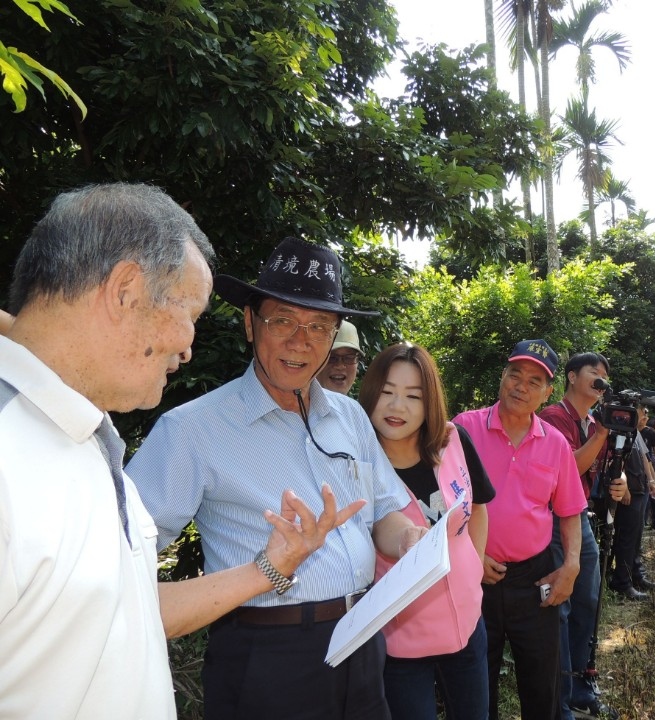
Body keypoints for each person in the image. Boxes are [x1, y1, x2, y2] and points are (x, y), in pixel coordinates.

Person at [0, 184, 360, 719]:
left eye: (318, 328)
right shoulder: (13, 453)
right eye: (188, 311)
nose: (189, 345)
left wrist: (272, 566)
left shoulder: (84, 443)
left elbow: (135, 602)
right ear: (125, 290)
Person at [126, 236, 426, 720]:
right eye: (282, 320)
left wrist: (409, 537)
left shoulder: (350, 417)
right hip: (267, 656)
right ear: (250, 323)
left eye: (318, 326)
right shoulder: (192, 431)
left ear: (334, 338)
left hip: (365, 641)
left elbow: (383, 513)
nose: (300, 340)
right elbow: (119, 553)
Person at [358, 342, 496, 720]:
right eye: (387, 392)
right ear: (370, 394)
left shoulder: (453, 441)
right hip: (400, 642)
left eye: (412, 396)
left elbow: (479, 508)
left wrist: (476, 574)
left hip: (467, 626)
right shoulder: (356, 466)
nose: (397, 406)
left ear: (429, 401)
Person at [452, 339, 586, 720]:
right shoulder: (464, 428)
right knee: (476, 677)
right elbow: (441, 504)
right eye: (515, 374)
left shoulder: (555, 443)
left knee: (542, 679)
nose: (520, 387)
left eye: (533, 382)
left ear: (546, 393)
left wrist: (571, 565)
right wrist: (471, 554)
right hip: (475, 576)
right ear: (502, 376)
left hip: (534, 576)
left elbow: (570, 510)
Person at [538, 352, 627, 719]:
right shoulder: (553, 417)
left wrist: (620, 485)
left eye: (605, 373)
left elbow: (601, 471)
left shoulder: (593, 421)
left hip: (580, 519)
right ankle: (558, 692)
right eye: (594, 371)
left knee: (588, 601)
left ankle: (578, 683)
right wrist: (605, 431)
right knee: (563, 603)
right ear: (572, 377)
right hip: (552, 522)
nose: (601, 377)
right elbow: (569, 468)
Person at [609, 410, 655, 599]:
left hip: (641, 489)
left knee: (636, 539)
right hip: (629, 491)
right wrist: (626, 489)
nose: (644, 415)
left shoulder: (635, 432)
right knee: (626, 539)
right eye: (641, 411)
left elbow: (645, 459)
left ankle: (635, 574)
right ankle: (622, 582)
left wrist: (652, 484)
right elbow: (617, 459)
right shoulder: (618, 429)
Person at [318, 319, 365, 394]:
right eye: (331, 358)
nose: (340, 366)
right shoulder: (296, 404)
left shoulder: (355, 405)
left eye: (349, 358)